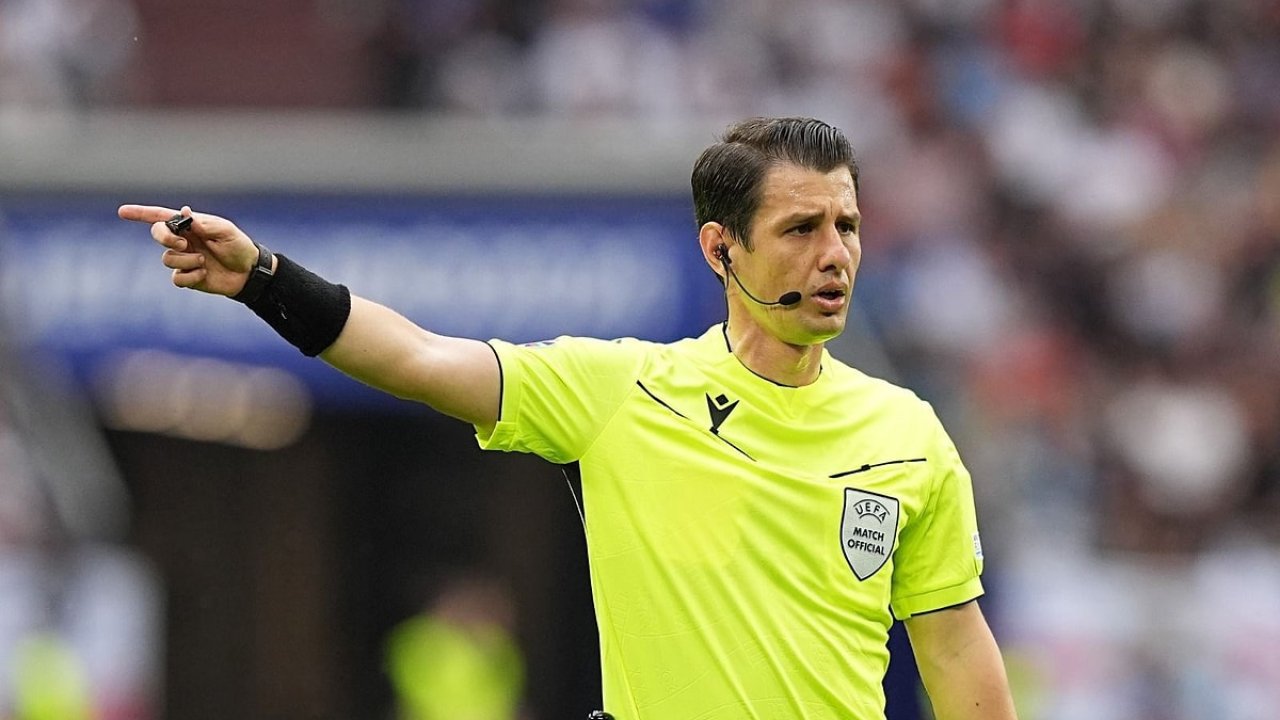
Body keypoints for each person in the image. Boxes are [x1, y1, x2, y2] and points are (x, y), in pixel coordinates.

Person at [119, 117, 1018, 720]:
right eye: (800, 229)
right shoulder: (621, 391)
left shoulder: (909, 434)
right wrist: (264, 279)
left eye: (847, 225)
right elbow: (420, 358)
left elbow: (953, 653)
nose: (835, 255)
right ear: (721, 248)